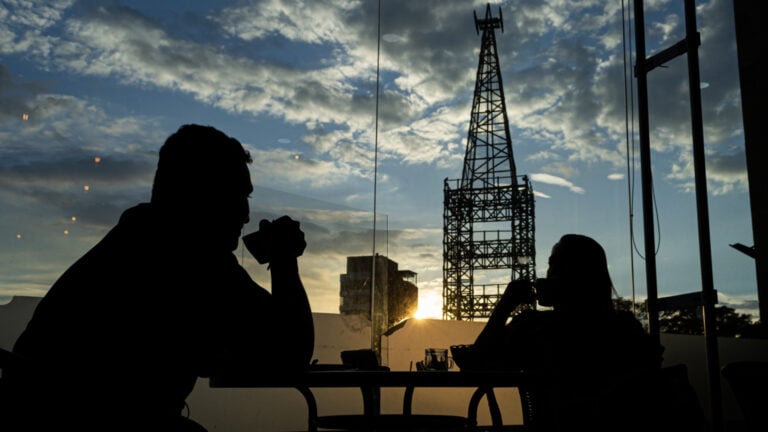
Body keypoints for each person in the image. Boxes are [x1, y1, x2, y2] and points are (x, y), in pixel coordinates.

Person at [0, 124, 315, 431]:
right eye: (237, 196)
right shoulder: (193, 257)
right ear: (202, 194)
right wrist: (284, 257)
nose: (246, 214)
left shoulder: (136, 240)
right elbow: (290, 354)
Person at [470, 234, 666, 431]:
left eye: (555, 266)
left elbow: (477, 365)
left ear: (578, 276)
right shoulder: (624, 328)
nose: (548, 273)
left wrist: (505, 306)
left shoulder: (535, 327)